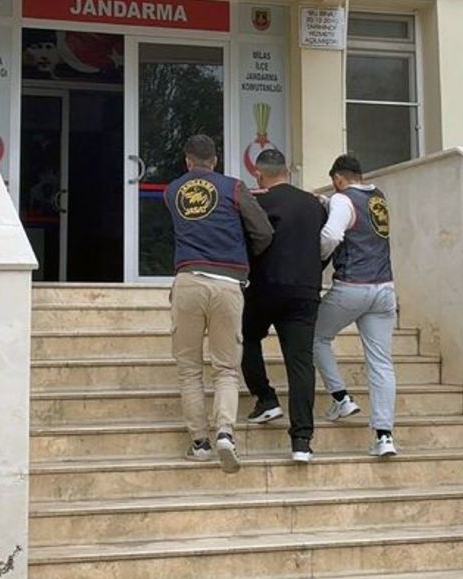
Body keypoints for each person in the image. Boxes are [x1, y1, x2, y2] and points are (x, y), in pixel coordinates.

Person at [164, 134, 273, 473]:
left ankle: (199, 443)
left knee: (189, 368)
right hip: (227, 284)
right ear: (215, 160)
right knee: (225, 368)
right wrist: (245, 256)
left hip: (188, 282)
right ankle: (225, 432)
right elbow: (263, 231)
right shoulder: (234, 188)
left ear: (187, 161)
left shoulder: (172, 191)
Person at [242, 148, 326, 463]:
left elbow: (249, 243)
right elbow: (328, 241)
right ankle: (302, 441)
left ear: (258, 174)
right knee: (300, 363)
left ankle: (266, 398)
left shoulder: (257, 203)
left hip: (264, 288)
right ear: (287, 172)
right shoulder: (313, 204)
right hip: (305, 290)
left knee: (246, 337)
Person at [313, 154, 398, 458]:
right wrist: (327, 203)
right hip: (384, 290)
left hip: (352, 287)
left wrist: (316, 259)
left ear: (338, 178)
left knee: (316, 336)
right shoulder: (378, 198)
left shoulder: (342, 199)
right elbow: (355, 217)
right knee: (381, 363)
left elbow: (332, 234)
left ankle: (341, 398)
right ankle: (384, 436)